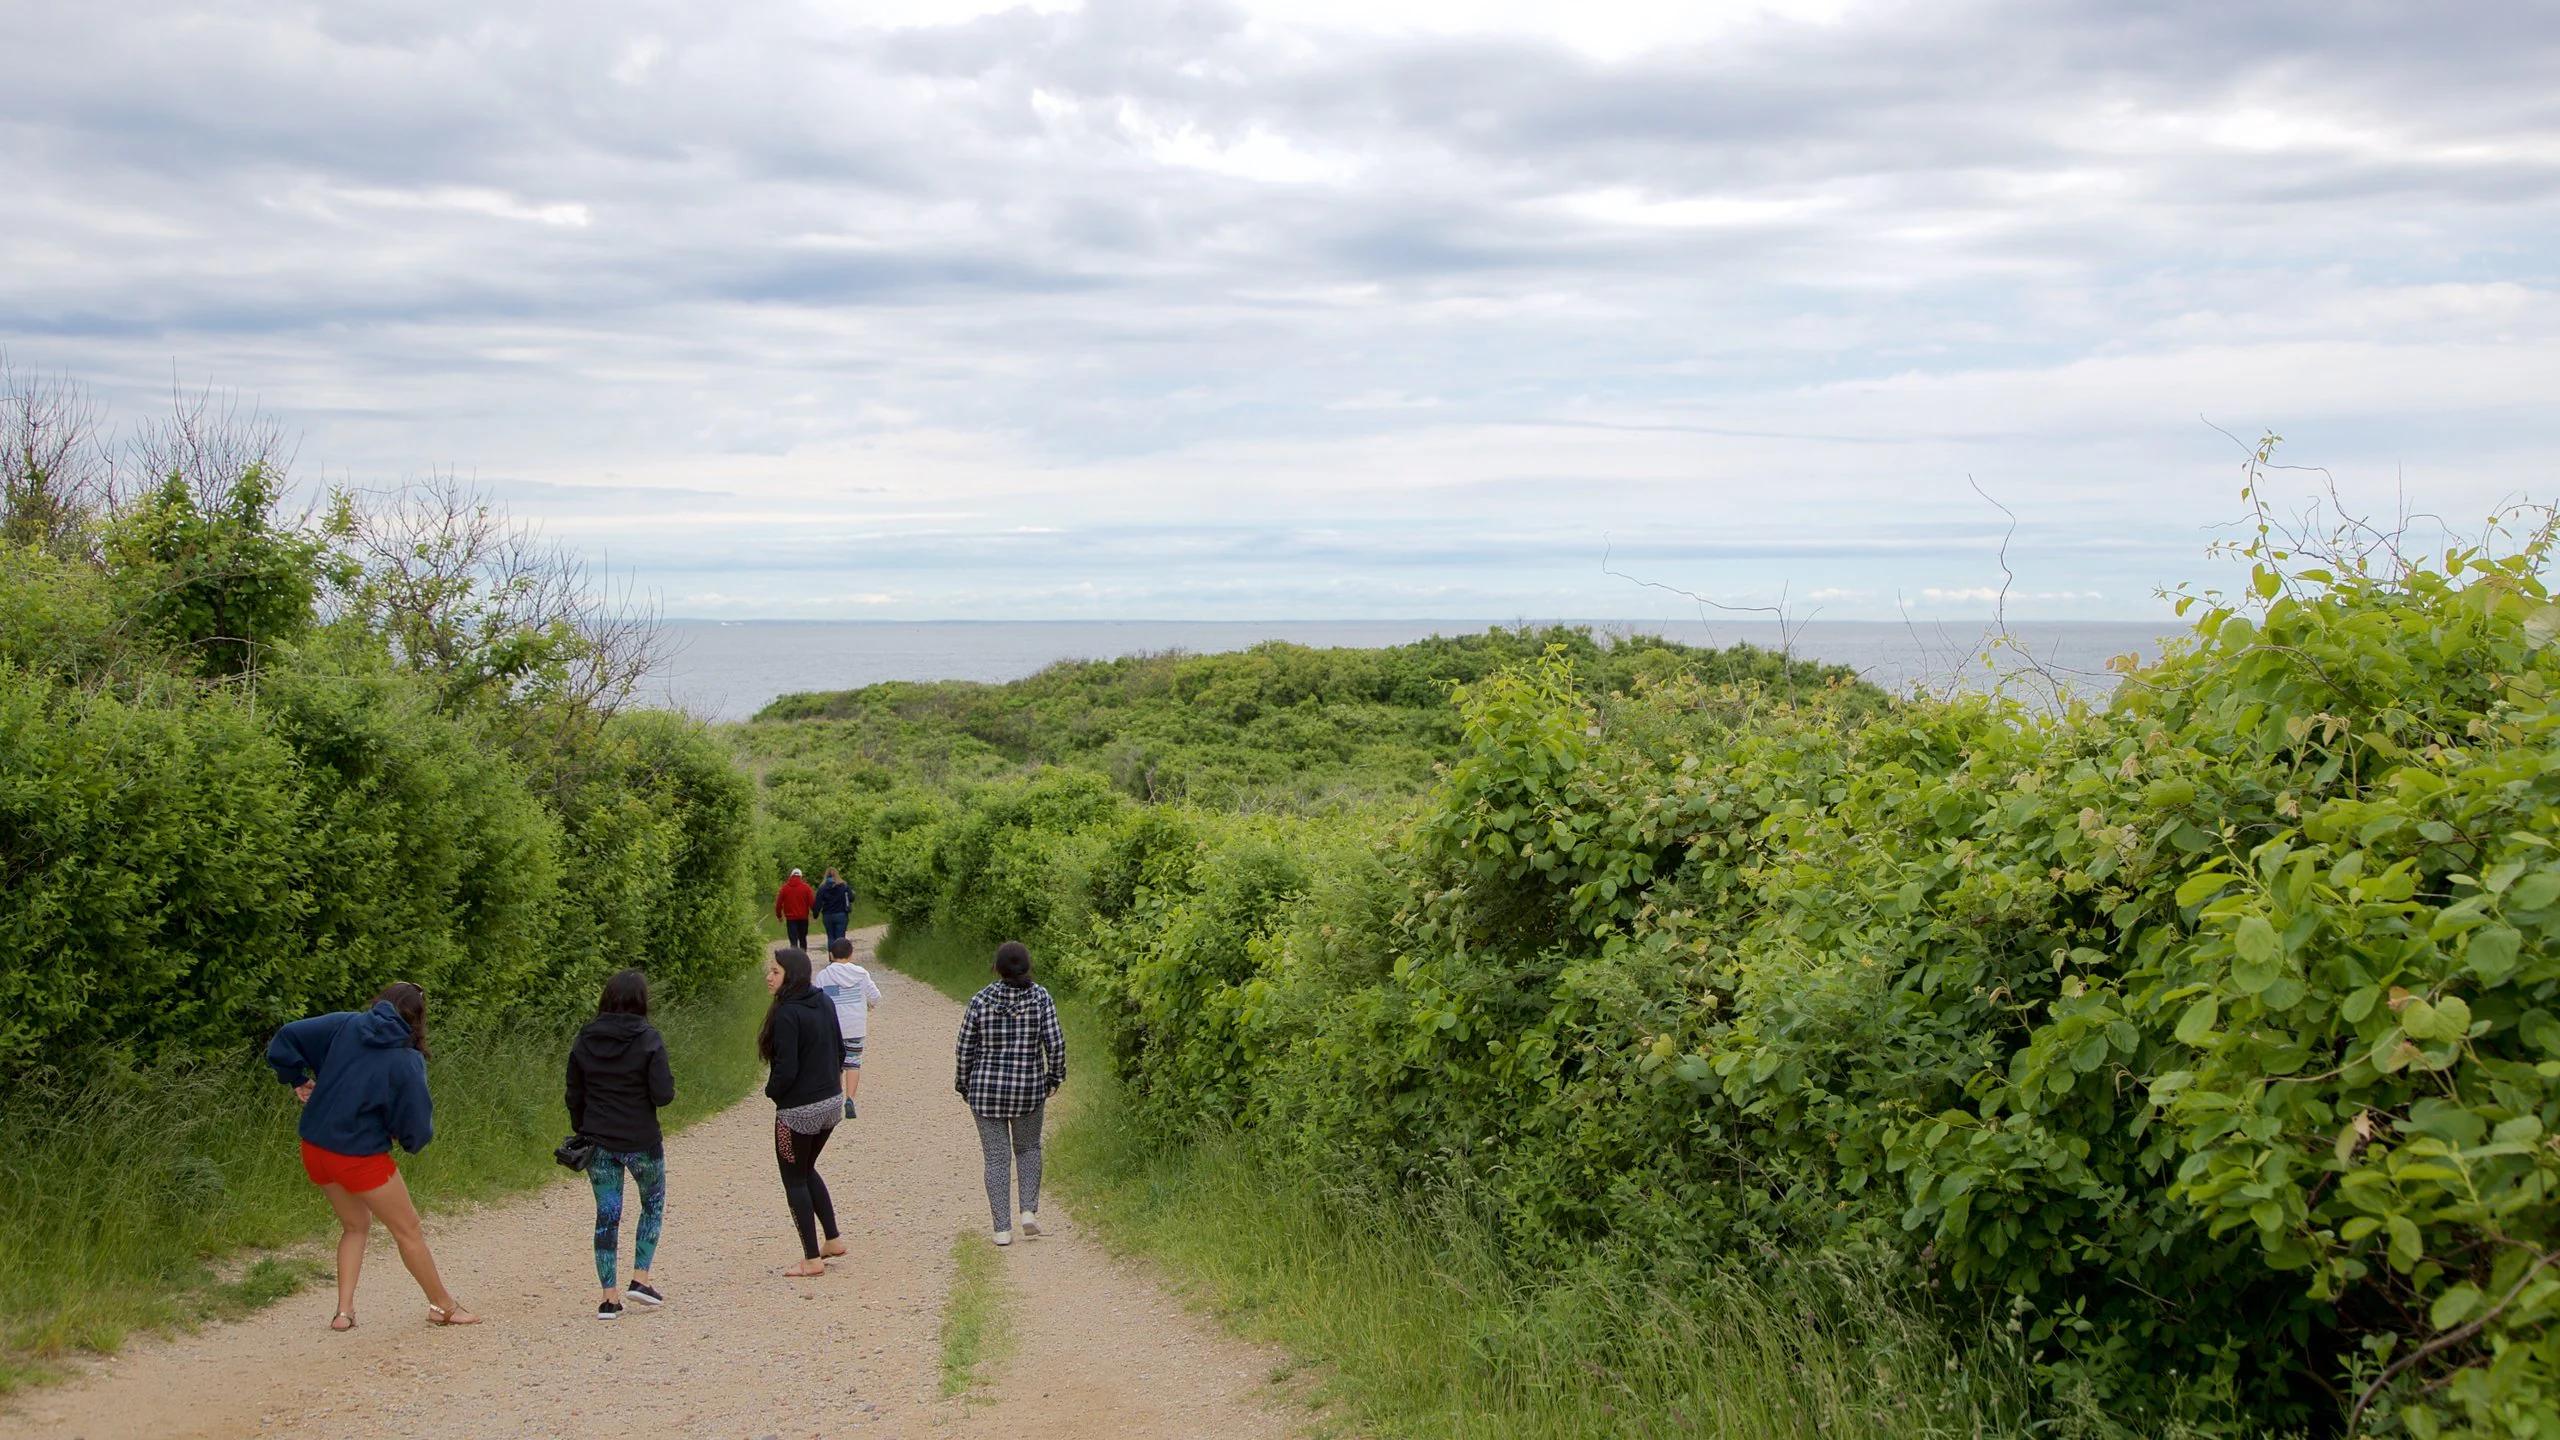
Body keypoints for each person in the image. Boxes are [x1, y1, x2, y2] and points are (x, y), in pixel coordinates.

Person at [266, 982, 480, 1329]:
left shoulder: (345, 1024)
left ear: (380, 1002)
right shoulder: (406, 1059)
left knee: (355, 1225)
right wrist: (407, 1139)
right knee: (407, 1229)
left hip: (316, 1148)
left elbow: (287, 1036)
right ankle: (443, 1306)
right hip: (359, 1157)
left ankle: (343, 1312)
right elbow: (415, 1121)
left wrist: (296, 1078)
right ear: (418, 1020)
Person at [566, 968, 675, 1320]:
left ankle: (609, 1298)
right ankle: (640, 1278)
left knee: (607, 1216)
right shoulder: (649, 1039)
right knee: (652, 1203)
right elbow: (663, 1095)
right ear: (641, 1001)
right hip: (641, 1139)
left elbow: (574, 1093)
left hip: (598, 1141)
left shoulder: (585, 1038)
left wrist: (582, 1127)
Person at [952, 940, 1065, 1247]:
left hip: (986, 1090)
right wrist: (1054, 1077)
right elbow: (1054, 1042)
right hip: (1028, 1088)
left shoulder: (980, 999)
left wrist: (964, 1083)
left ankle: (1002, 1228)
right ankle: (1028, 1211)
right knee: (1028, 1149)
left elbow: (965, 1047)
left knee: (996, 1158)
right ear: (1028, 966)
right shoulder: (1041, 998)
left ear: (997, 968)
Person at [760, 946, 848, 1276]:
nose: (769, 977)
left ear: (790, 976)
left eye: (775, 972)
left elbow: (786, 1069)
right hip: (830, 1104)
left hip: (797, 1112)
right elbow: (840, 1050)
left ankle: (811, 1259)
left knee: (794, 1179)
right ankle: (833, 1239)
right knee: (807, 1169)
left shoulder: (786, 1014)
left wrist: (773, 1092)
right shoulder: (823, 1000)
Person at [815, 935, 884, 1120]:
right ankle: (850, 1099)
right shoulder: (861, 974)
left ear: (831, 954)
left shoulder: (823, 975)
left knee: (835, 1065)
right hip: (855, 1026)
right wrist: (868, 1004)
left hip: (832, 1028)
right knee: (853, 1062)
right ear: (851, 954)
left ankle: (835, 1101)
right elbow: (876, 996)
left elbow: (816, 1001)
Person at [774, 869, 816, 951]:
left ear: (791, 876)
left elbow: (778, 904)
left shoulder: (784, 888)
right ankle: (803, 958)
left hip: (791, 919)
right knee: (803, 939)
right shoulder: (806, 888)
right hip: (803, 918)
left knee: (793, 941)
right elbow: (812, 903)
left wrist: (779, 916)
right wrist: (815, 914)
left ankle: (794, 959)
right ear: (801, 876)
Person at [814, 868, 855, 947]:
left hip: (827, 915)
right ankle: (839, 957)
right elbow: (852, 898)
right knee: (840, 938)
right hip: (841, 914)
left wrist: (816, 914)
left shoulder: (822, 888)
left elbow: (818, 903)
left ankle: (831, 958)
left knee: (830, 938)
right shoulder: (844, 886)